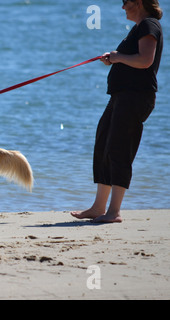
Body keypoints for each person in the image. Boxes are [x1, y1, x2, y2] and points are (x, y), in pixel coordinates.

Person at [71, 0, 163, 223]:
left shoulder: (149, 25)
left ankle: (114, 212)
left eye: (125, 2)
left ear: (138, 2)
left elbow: (145, 60)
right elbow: (134, 59)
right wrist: (114, 59)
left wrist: (118, 57)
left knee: (119, 149)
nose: (123, 7)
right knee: (103, 144)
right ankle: (98, 207)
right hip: (121, 96)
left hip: (135, 97)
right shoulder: (139, 27)